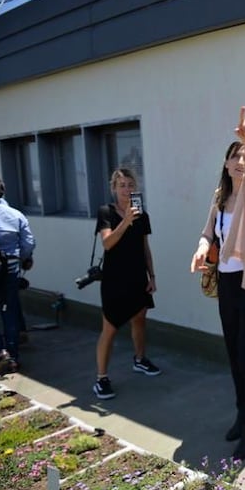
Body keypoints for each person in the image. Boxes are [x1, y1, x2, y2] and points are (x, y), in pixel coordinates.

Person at [190, 107, 245, 460]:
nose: (240, 161)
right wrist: (201, 248)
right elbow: (208, 232)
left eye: (244, 156)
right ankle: (244, 414)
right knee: (235, 356)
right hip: (226, 282)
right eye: (234, 156)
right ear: (225, 165)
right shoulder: (219, 197)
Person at [93, 168, 159, 401]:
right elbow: (108, 243)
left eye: (130, 185)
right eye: (122, 185)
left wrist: (152, 276)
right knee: (109, 328)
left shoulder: (142, 215)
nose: (127, 189)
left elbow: (144, 248)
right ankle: (101, 378)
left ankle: (140, 359)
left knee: (139, 320)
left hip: (137, 278)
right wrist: (126, 221)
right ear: (114, 188)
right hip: (114, 280)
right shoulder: (106, 212)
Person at [0, 173, 35, 375]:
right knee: (8, 309)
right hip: (11, 266)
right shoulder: (16, 214)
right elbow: (28, 245)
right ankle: (13, 356)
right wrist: (20, 258)